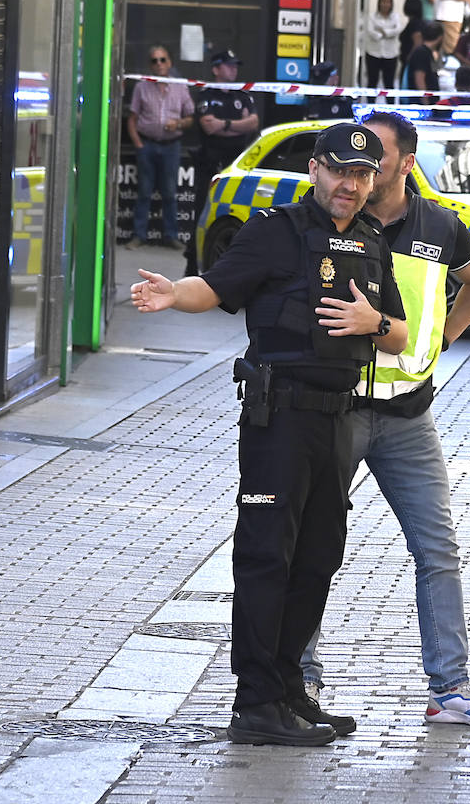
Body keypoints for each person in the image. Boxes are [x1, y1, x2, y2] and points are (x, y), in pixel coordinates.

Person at [130, 122, 409, 747]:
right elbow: (216, 287)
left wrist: (374, 320)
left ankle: (287, 689)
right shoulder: (274, 232)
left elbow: (398, 334)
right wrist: (175, 293)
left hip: (338, 420)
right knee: (266, 560)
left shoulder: (371, 239)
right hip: (278, 419)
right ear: (316, 170)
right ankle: (254, 703)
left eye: (362, 175)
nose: (350, 184)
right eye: (340, 171)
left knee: (317, 562)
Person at [297, 110, 470, 726]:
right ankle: (301, 680)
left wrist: (439, 340)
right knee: (315, 544)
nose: (363, 164)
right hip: (336, 409)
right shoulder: (336, 217)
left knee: (437, 548)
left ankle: (449, 690)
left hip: (408, 416)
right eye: (353, 158)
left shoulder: (438, 225)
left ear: (407, 164)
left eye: (377, 155)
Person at [186, 49, 259, 276]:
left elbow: (253, 123)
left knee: (234, 212)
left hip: (237, 164)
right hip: (210, 163)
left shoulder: (243, 94)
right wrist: (237, 124)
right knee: (202, 212)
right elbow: (208, 125)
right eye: (228, 65)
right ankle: (191, 265)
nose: (233, 69)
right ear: (216, 69)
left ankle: (229, 266)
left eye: (235, 65)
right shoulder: (206, 94)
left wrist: (224, 125)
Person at [126, 45, 193, 249]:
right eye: (155, 61)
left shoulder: (180, 86)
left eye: (163, 60)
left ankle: (171, 236)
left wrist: (178, 124)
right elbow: (132, 119)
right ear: (150, 65)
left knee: (170, 194)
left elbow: (190, 118)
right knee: (144, 193)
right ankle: (139, 235)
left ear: (170, 63)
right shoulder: (142, 87)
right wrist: (138, 144)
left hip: (171, 146)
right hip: (147, 144)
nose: (159, 64)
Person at [365, 0, 402, 91]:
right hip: (373, 53)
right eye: (384, 1)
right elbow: (372, 33)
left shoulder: (395, 17)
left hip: (390, 54)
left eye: (388, 2)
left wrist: (382, 30)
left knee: (389, 84)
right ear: (379, 2)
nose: (386, 4)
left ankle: (390, 106)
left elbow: (397, 30)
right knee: (372, 82)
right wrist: (389, 32)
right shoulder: (372, 16)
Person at [405, 21, 444, 104]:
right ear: (440, 37)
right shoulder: (422, 53)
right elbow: (419, 78)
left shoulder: (427, 52)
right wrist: (425, 102)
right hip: (420, 104)